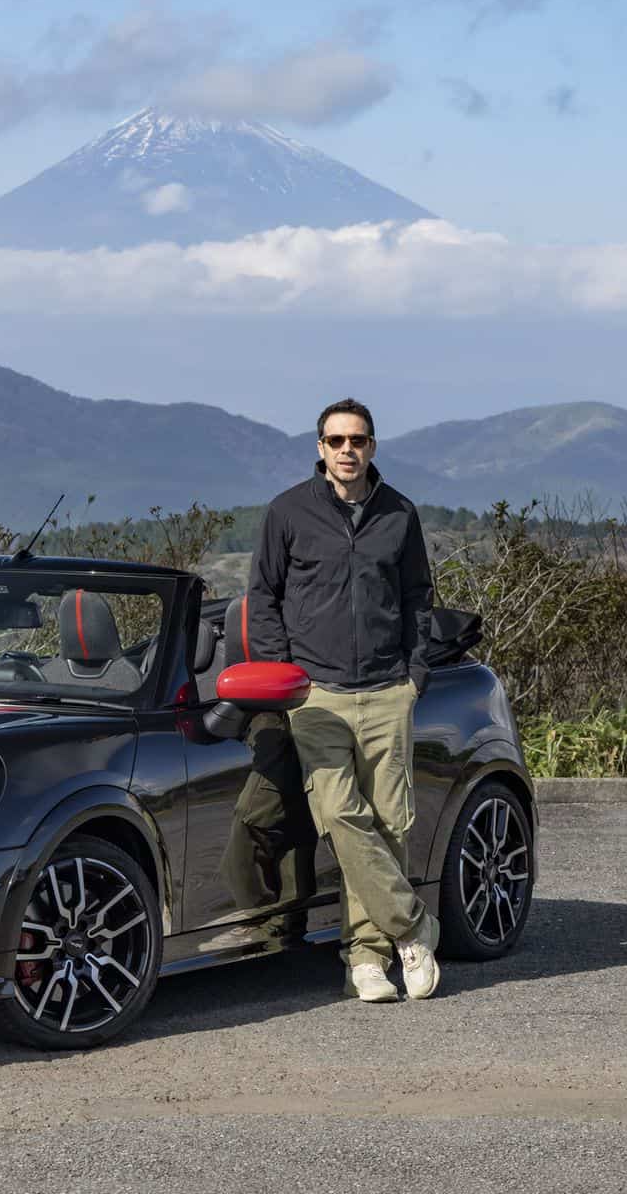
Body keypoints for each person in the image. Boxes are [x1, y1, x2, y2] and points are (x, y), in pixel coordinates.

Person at [245, 397, 440, 1002]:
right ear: (320, 449)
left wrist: (414, 676)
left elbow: (418, 600)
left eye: (358, 440)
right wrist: (288, 680)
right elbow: (264, 597)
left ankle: (366, 957)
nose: (347, 450)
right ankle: (414, 926)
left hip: (387, 690)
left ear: (373, 447)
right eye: (336, 441)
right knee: (340, 815)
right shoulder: (287, 513)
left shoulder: (399, 514)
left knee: (391, 823)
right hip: (317, 695)